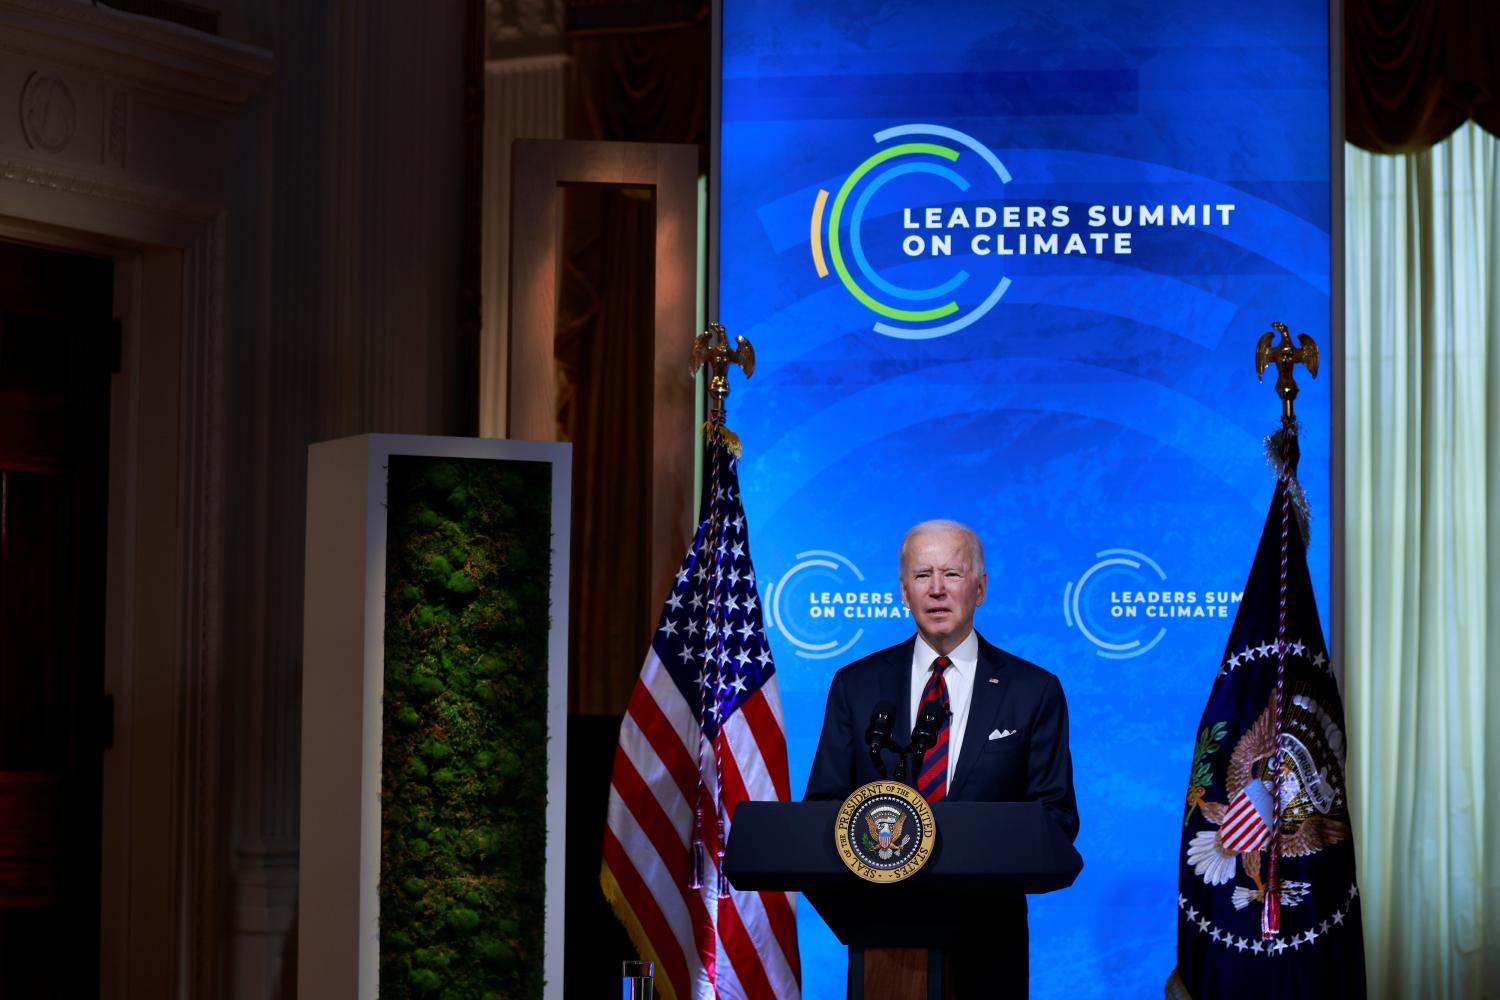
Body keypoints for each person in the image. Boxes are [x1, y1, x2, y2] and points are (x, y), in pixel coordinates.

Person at [804, 519, 1079, 999]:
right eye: (921, 575)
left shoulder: (1032, 690)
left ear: (980, 587)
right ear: (904, 592)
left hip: (990, 946)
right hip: (882, 943)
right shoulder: (856, 685)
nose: (936, 590)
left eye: (952, 574)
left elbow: (1055, 816)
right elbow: (825, 806)